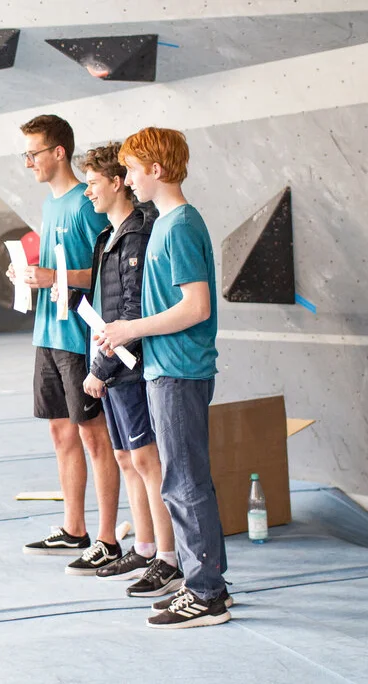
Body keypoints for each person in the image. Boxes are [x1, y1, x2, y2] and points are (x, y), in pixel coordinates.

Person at [100, 127, 232, 629]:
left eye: (132, 169)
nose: (128, 180)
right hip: (165, 366)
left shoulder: (177, 226)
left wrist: (131, 328)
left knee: (184, 481)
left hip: (178, 368)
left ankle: (206, 592)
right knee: (184, 479)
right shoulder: (168, 223)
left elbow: (195, 306)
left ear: (156, 170)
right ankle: (208, 584)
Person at [12, 115, 121, 574]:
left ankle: (107, 538)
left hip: (79, 338)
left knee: (95, 438)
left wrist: (52, 276)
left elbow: (103, 272)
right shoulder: (51, 205)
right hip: (47, 333)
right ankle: (73, 527)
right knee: (61, 433)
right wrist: (29, 275)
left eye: (33, 153)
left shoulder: (85, 203)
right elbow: (59, 267)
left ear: (58, 153)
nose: (28, 163)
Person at [77, 144, 183, 598]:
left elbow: (132, 309)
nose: (88, 193)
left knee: (146, 460)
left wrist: (100, 367)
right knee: (126, 458)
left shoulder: (138, 234)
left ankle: (169, 557)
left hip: (131, 365)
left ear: (118, 182)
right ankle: (142, 546)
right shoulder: (109, 235)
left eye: (93, 184)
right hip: (112, 362)